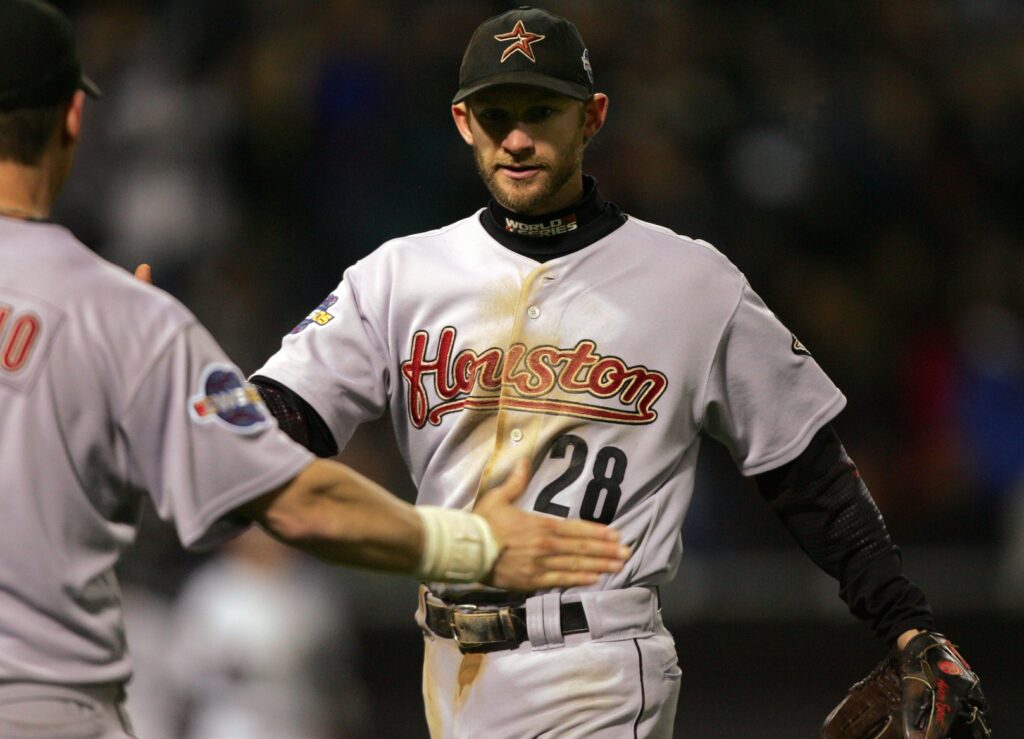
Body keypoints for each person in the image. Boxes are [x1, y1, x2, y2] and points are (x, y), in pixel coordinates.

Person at [251, 6, 990, 738]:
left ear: (592, 117)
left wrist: (906, 622)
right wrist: (167, 373)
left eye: (541, 110)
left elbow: (806, 469)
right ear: (462, 122)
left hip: (594, 659)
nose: (516, 137)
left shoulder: (690, 281)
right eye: (496, 113)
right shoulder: (398, 275)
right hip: (446, 661)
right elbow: (277, 420)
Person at [0, 2, 629, 737]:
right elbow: (297, 502)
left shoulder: (115, 321)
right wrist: (475, 542)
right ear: (73, 116)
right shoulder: (120, 320)